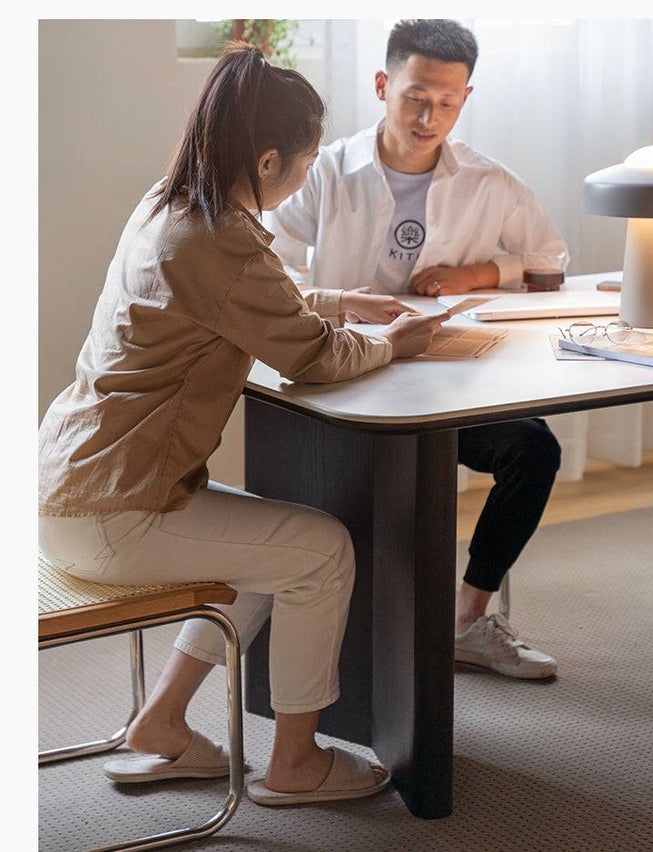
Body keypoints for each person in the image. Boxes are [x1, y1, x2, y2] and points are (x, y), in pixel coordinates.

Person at [38, 42, 449, 806]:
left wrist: (339, 299)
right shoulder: (217, 239)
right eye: (305, 162)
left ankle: (160, 722)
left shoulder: (170, 202)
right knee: (319, 550)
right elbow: (315, 358)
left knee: (266, 539)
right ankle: (296, 764)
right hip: (114, 512)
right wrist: (390, 341)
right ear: (267, 162)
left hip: (76, 486)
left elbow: (252, 296)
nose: (306, 175)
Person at [265, 19, 567, 680]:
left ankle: (465, 620)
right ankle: (343, 636)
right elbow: (269, 265)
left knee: (533, 450)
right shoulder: (327, 172)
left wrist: (478, 274)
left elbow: (548, 261)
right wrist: (341, 300)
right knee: (374, 503)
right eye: (415, 97)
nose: (430, 116)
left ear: (466, 99)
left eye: (448, 102)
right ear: (383, 85)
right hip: (347, 380)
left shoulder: (491, 182)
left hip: (444, 385)